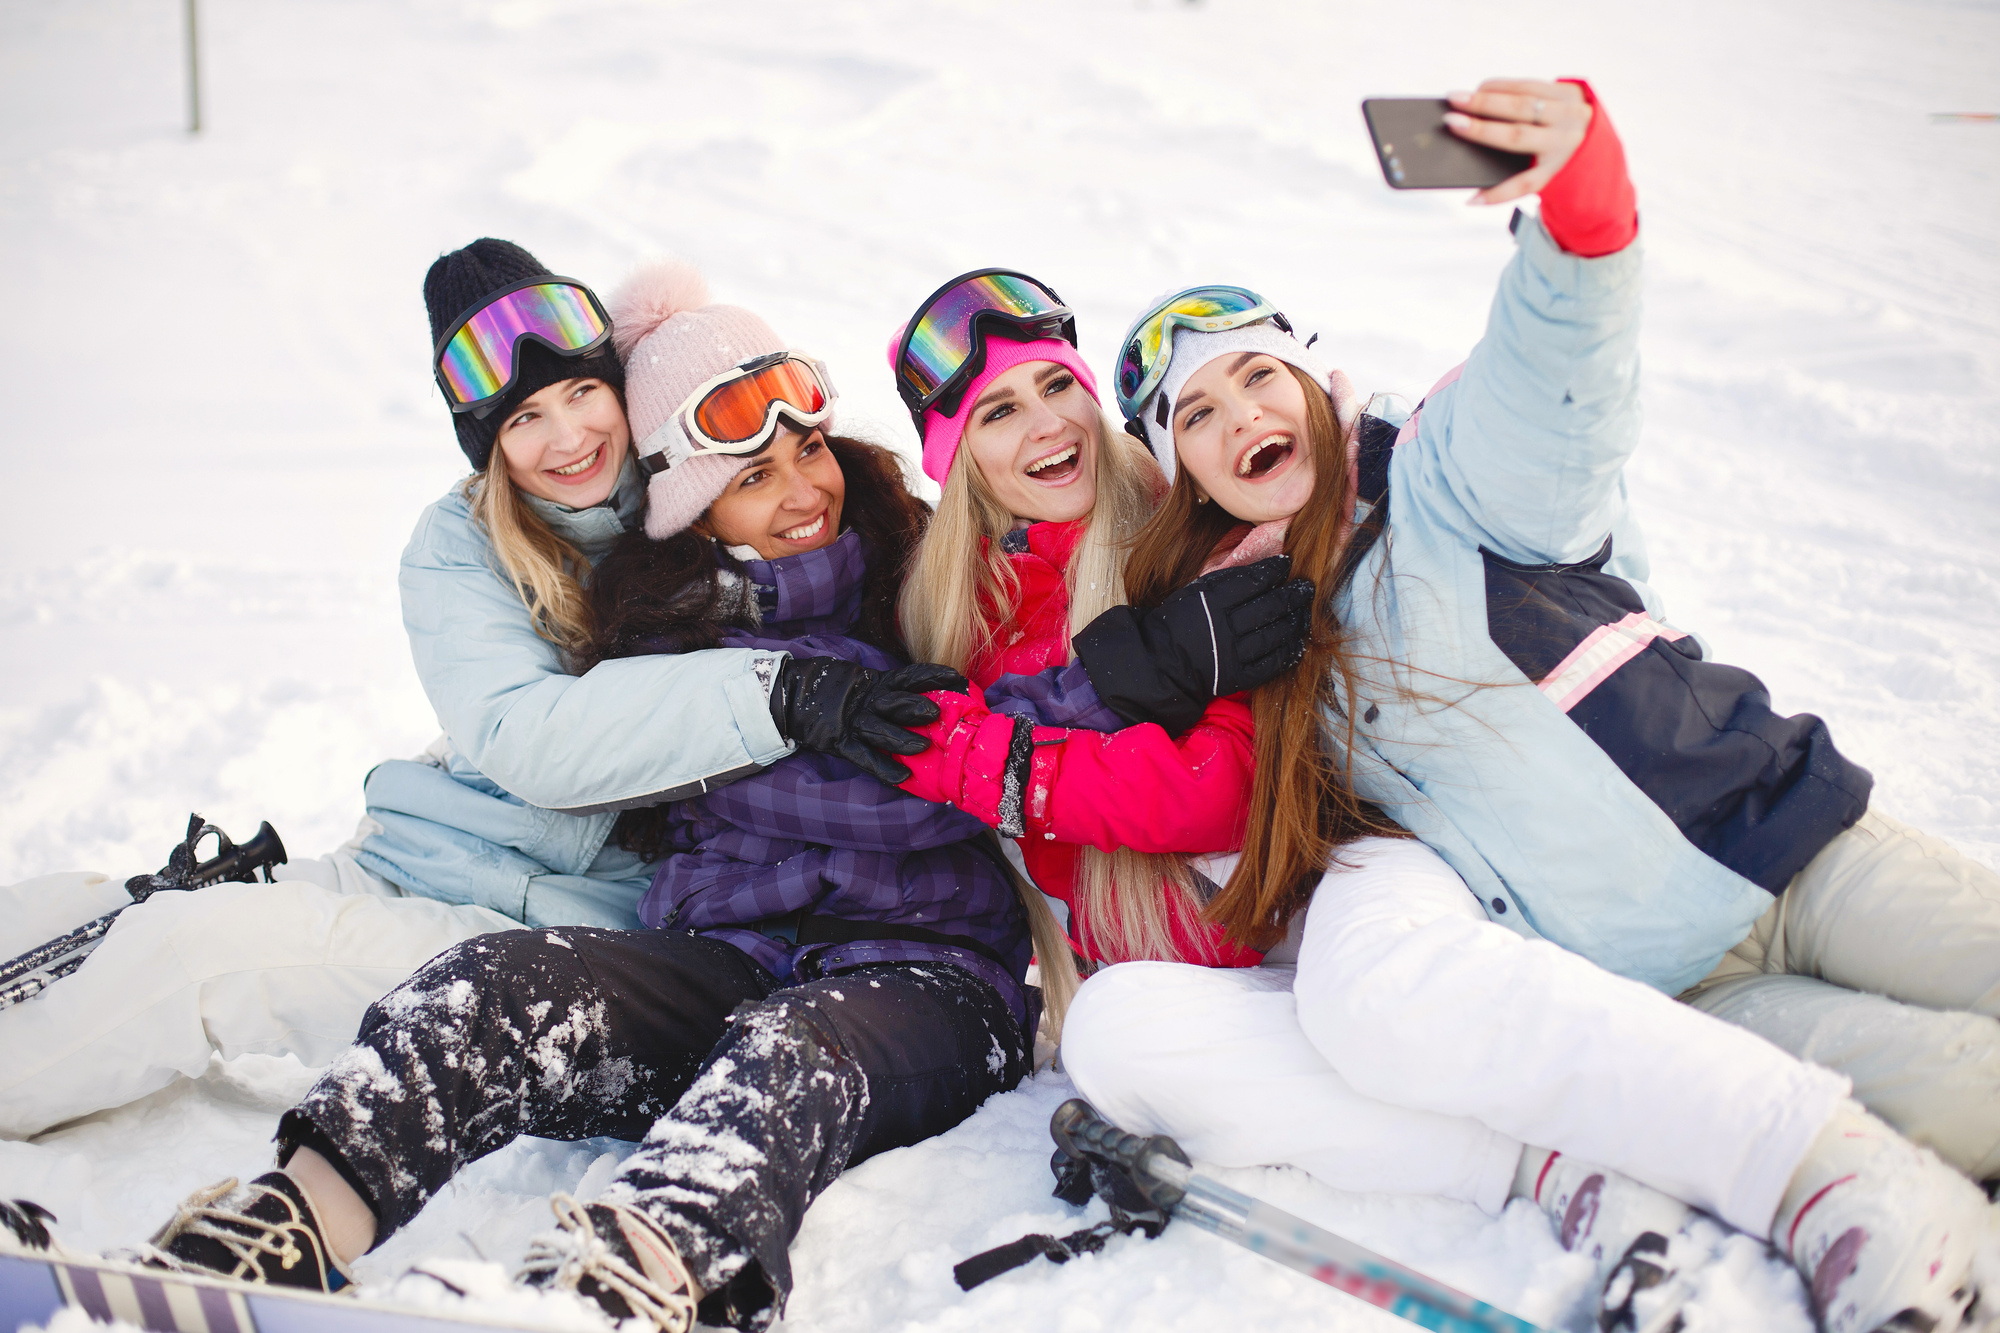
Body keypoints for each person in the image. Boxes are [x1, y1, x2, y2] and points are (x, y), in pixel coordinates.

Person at [1065, 79, 1998, 1333]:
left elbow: (1551, 390)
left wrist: (1579, 218)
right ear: (1179, 464)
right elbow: (1242, 854)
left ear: (1309, 378)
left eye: (1255, 376)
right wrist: (1141, 677)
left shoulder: (1444, 480)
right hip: (1678, 991)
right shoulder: (1247, 654)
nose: (1239, 417)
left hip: (1791, 845)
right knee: (1966, 1099)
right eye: (1194, 412)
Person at [130, 265, 1053, 1333]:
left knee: (791, 1053)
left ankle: (641, 1268)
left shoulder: (926, 568)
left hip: (932, 982)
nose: (805, 490)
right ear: (692, 510)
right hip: (731, 957)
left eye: (809, 449)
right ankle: (292, 1221)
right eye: (752, 473)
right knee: (484, 986)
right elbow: (555, 746)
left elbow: (1022, 725)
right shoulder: (661, 644)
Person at [0, 241, 941, 1139]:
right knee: (123, 910)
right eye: (526, 418)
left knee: (201, 956)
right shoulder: (463, 540)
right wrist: (779, 693)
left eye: (583, 392)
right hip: (414, 856)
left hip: (552, 923)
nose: (568, 437)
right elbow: (526, 738)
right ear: (486, 443)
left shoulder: (705, 497)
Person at [885, 269, 1314, 972]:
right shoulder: (955, 618)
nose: (1049, 424)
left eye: (1057, 387)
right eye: (999, 412)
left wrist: (983, 755)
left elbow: (1221, 790)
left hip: (1285, 937)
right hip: (1137, 975)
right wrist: (1109, 685)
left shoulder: (1192, 519)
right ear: (961, 461)